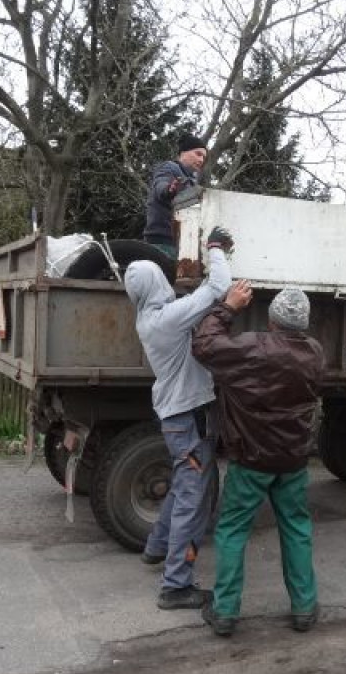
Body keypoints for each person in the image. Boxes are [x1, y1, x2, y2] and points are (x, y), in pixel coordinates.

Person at [191, 283, 325, 637]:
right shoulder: (315, 352)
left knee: (233, 531)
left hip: (251, 459)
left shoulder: (253, 347)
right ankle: (304, 608)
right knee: (297, 530)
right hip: (293, 461)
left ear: (272, 319)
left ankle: (225, 613)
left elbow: (203, 345)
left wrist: (228, 307)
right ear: (304, 323)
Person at [123, 226, 234, 610]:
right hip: (186, 418)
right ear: (156, 284)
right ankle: (176, 586)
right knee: (192, 497)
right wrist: (215, 247)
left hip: (177, 415)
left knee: (182, 485)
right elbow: (220, 286)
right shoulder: (167, 319)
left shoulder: (149, 316)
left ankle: (155, 548)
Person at [144, 131, 208, 259]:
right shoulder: (170, 167)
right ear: (183, 152)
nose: (201, 160)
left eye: (204, 157)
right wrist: (169, 190)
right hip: (162, 241)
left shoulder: (192, 181)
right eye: (198, 154)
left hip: (180, 242)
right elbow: (160, 186)